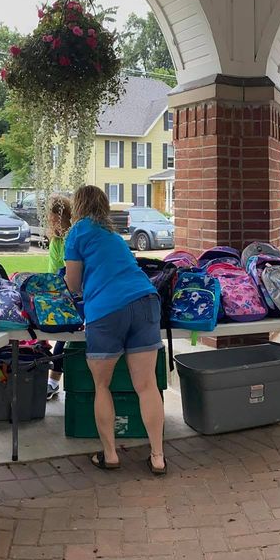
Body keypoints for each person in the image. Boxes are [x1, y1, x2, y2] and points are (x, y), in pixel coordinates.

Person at [61, 185, 168, 474]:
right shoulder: (113, 235)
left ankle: (110, 455)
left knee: (101, 386)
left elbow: (73, 284)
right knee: (147, 385)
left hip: (107, 310)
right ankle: (158, 457)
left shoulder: (77, 232)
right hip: (145, 301)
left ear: (78, 206)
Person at [43, 194, 74, 400]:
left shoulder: (72, 238)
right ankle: (53, 381)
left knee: (64, 337)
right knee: (63, 335)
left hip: (77, 293)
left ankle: (53, 381)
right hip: (65, 293)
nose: (52, 222)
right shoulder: (57, 241)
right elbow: (54, 271)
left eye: (54, 218)